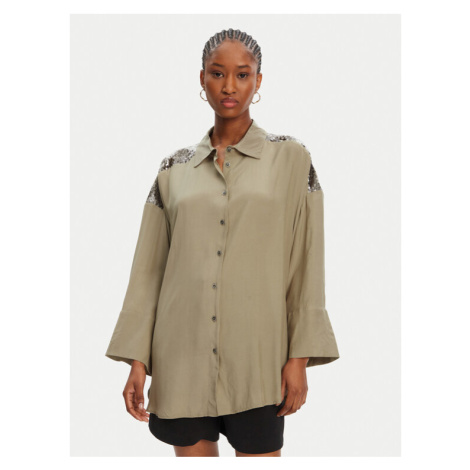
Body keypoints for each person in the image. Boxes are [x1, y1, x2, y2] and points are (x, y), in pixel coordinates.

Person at [105, 28, 340, 457]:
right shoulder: (173, 169)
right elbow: (149, 271)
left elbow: (308, 262)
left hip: (258, 361)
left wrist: (300, 357)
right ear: (202, 79)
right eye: (217, 74)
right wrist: (138, 360)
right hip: (181, 360)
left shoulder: (291, 158)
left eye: (242, 75)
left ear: (258, 81)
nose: (229, 86)